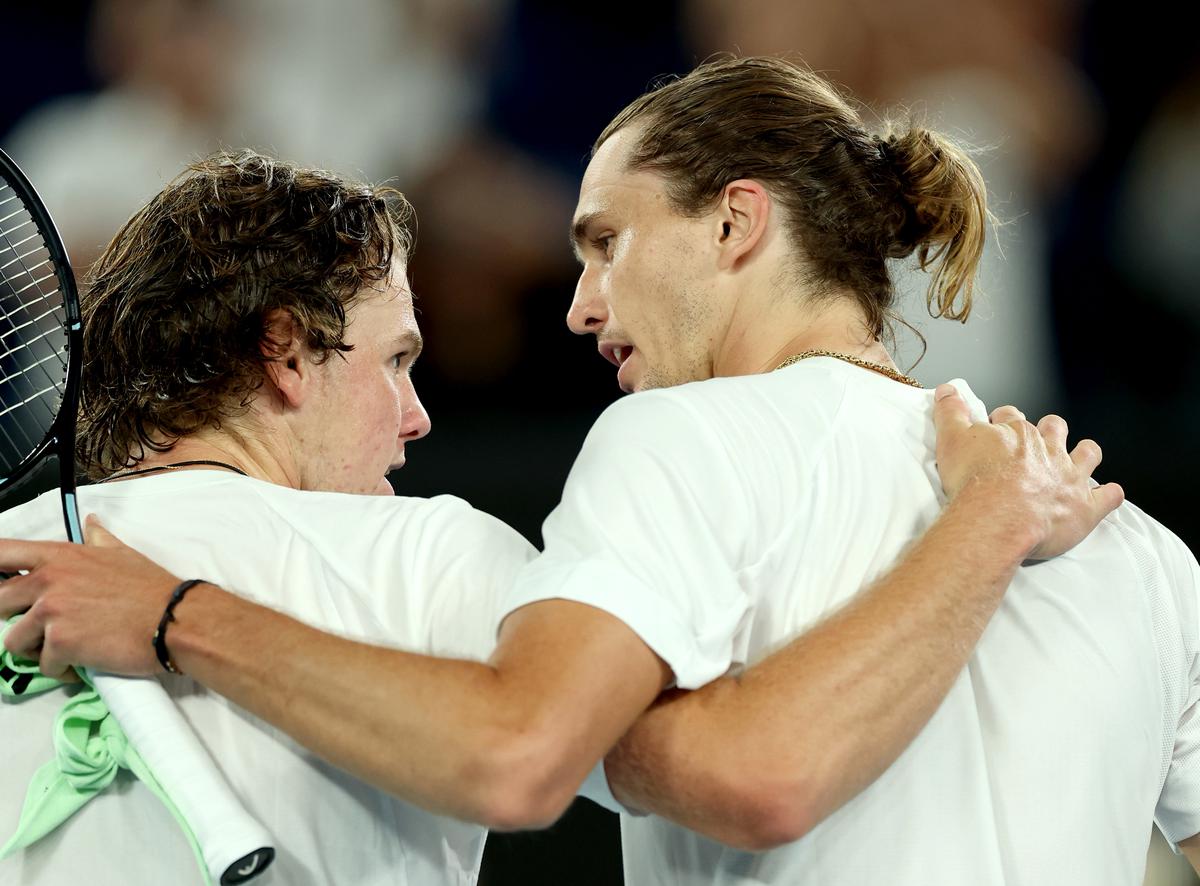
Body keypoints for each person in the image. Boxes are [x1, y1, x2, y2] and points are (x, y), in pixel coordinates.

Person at [0, 59, 1134, 883]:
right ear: (288, 352)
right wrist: (985, 520)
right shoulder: (429, 556)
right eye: (396, 361)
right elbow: (719, 765)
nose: (417, 415)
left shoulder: (20, 568)